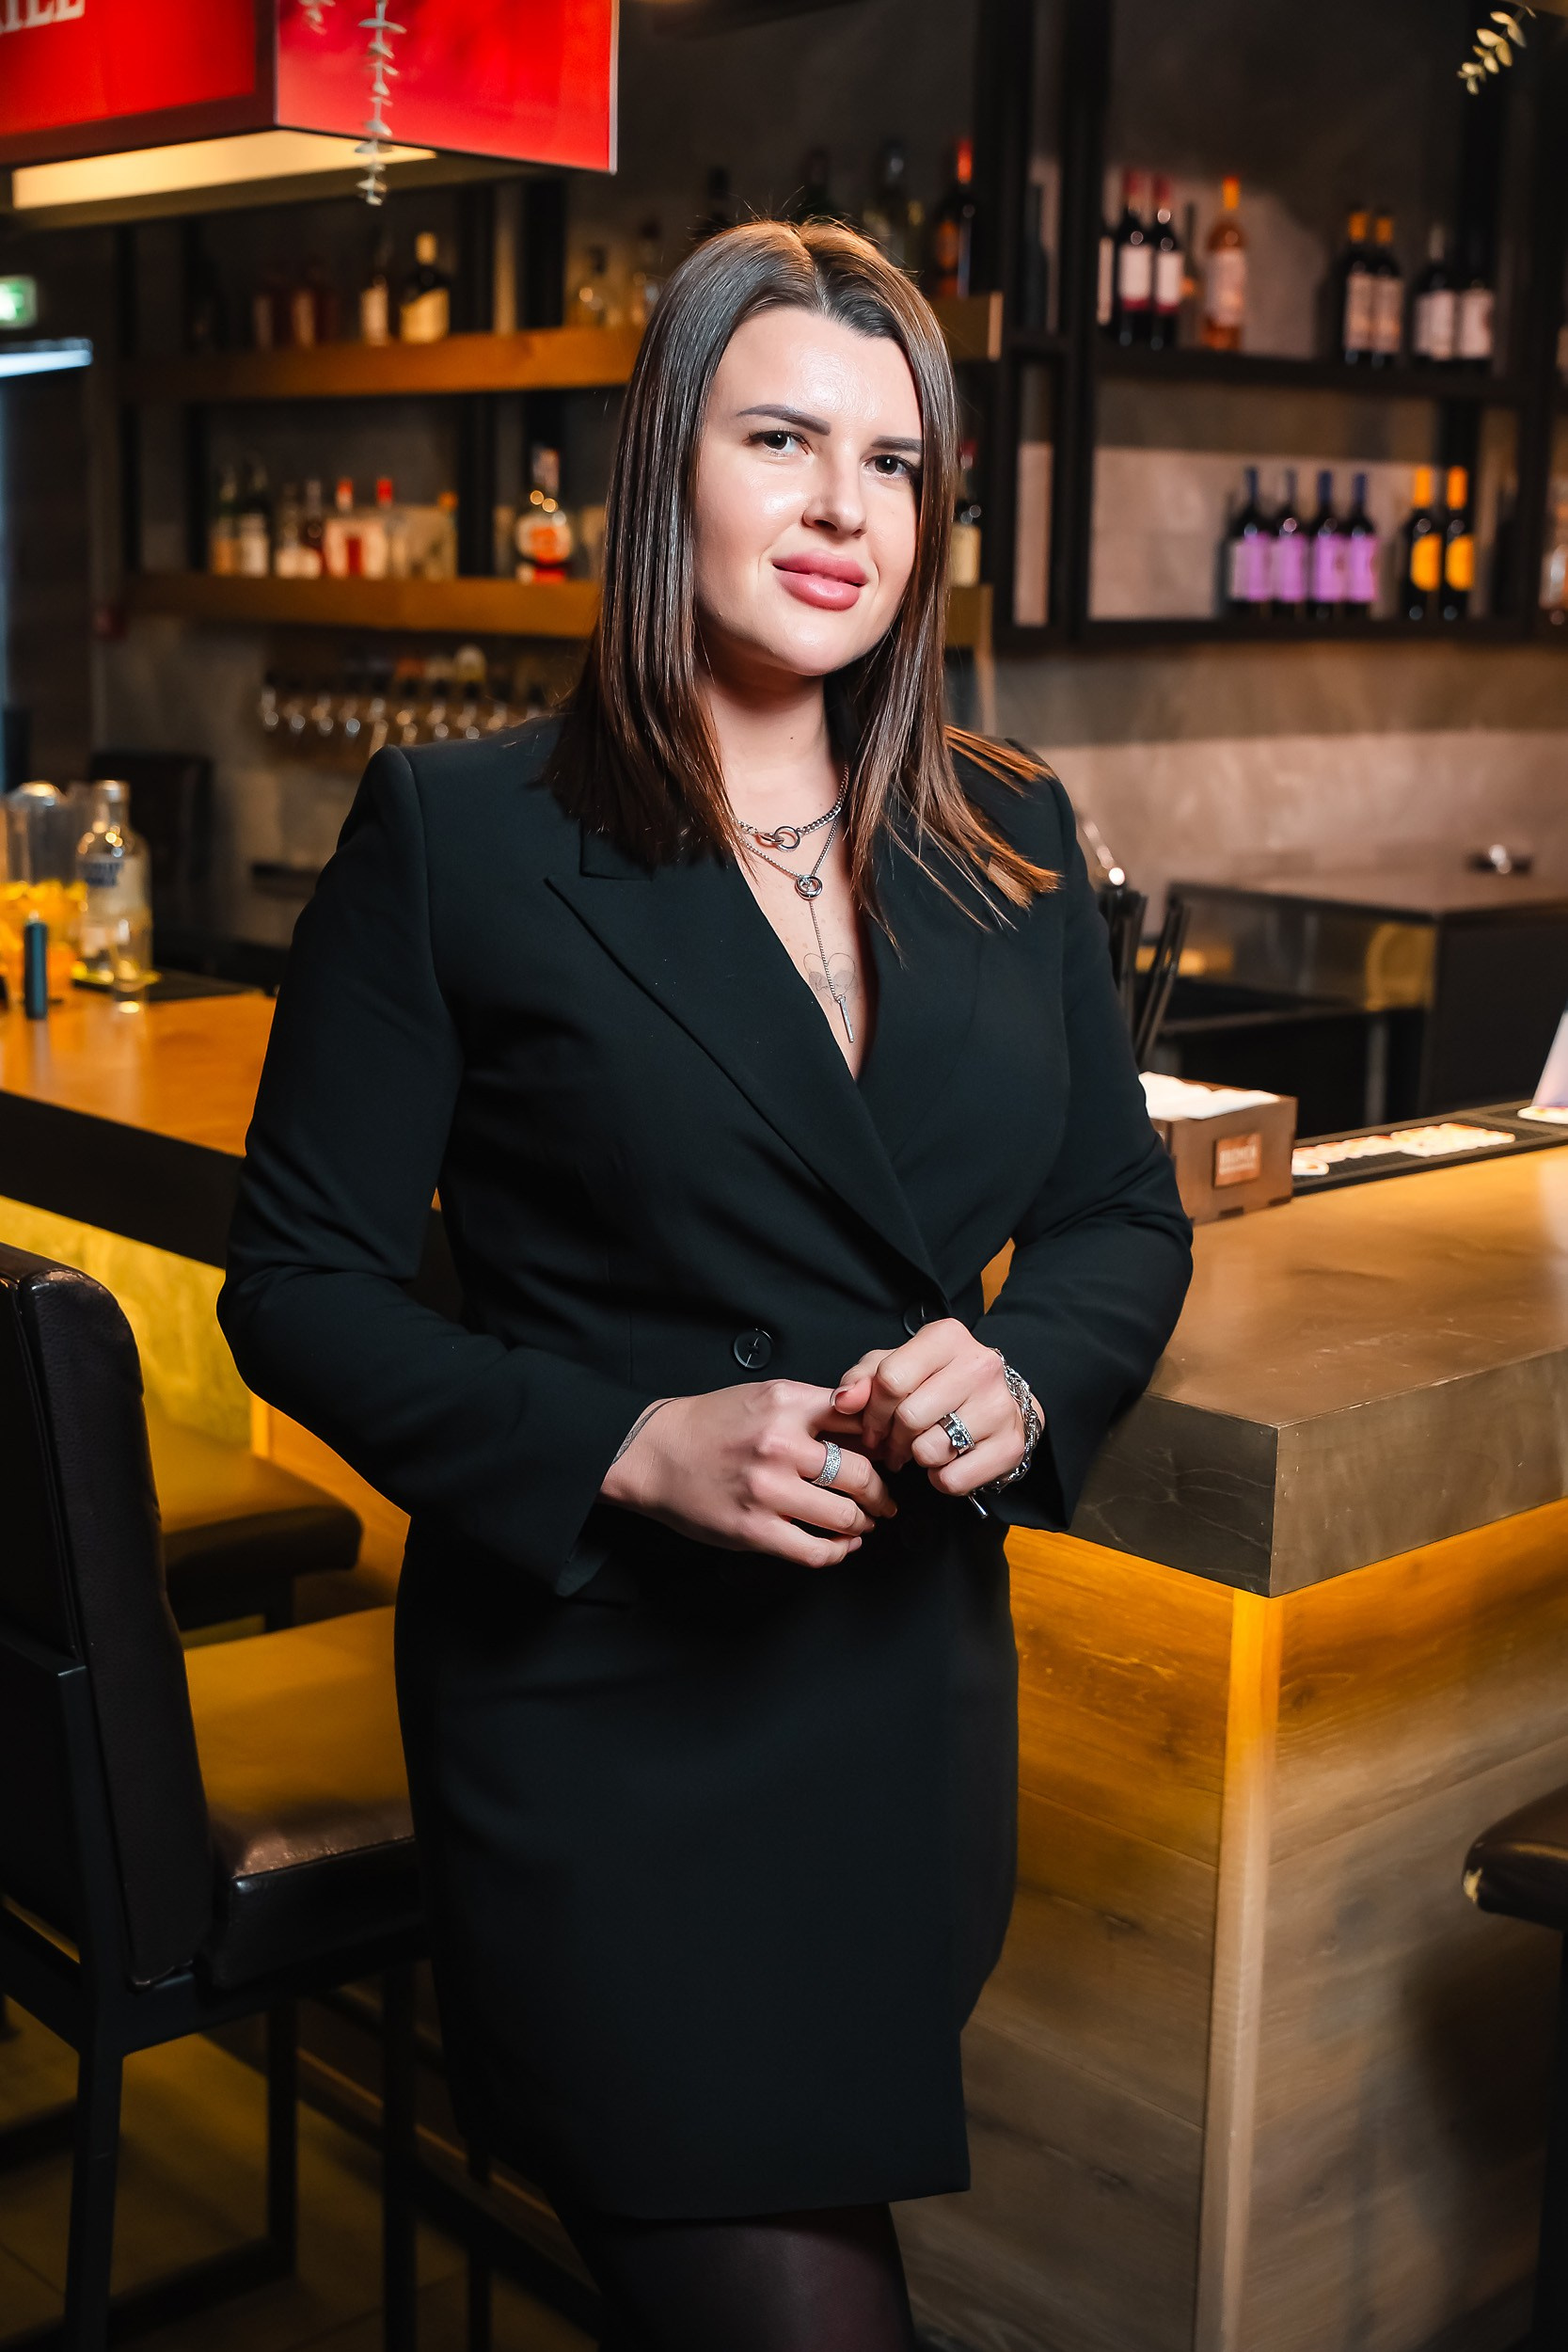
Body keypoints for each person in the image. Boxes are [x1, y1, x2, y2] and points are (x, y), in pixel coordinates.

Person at [218, 219, 1192, 2352]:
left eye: (894, 462)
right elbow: (292, 1281)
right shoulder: (463, 832)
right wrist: (625, 1444)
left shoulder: (1011, 833)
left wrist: (1026, 1376)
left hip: (900, 1715)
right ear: (669, 463)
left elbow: (1122, 1209)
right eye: (781, 439)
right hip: (608, 1732)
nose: (845, 508)